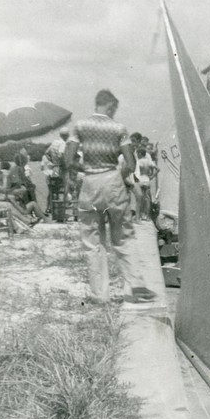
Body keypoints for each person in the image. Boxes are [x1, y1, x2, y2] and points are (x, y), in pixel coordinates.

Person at [65, 90, 156, 303]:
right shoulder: (119, 129)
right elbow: (131, 164)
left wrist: (87, 167)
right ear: (112, 106)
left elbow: (68, 161)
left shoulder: (79, 126)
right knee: (124, 237)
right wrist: (117, 176)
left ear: (97, 104)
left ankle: (100, 295)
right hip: (113, 182)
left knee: (93, 242)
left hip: (90, 184)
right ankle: (137, 286)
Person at [7, 151, 47, 222]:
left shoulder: (18, 168)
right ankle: (37, 214)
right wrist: (26, 185)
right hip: (13, 191)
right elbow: (17, 182)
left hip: (15, 190)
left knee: (30, 190)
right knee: (28, 192)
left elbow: (24, 179)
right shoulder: (16, 169)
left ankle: (36, 214)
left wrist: (29, 184)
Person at [42, 127, 70, 216]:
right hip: (61, 169)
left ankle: (49, 208)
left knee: (52, 190)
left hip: (54, 169)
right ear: (66, 136)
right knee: (67, 186)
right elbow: (61, 154)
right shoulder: (63, 143)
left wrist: (52, 162)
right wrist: (64, 164)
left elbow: (46, 153)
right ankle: (65, 205)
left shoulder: (54, 142)